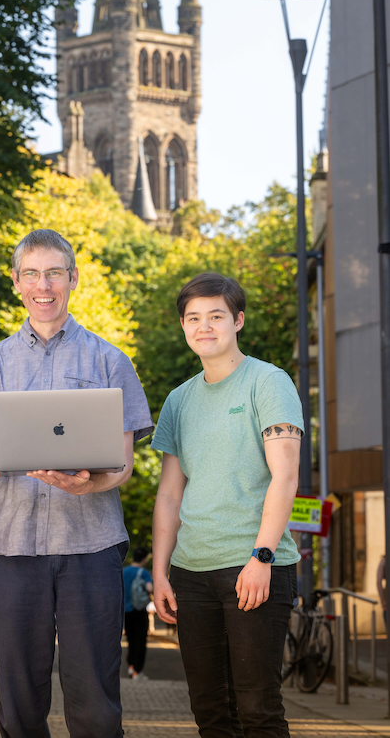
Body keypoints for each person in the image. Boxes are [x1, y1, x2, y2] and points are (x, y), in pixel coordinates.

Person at [0, 228, 154, 738]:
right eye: (32, 274)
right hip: (13, 550)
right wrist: (0, 463)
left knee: (96, 706)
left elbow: (123, 464)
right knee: (18, 703)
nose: (44, 285)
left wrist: (89, 484)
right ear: (17, 282)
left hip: (91, 546)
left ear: (72, 279)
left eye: (54, 273)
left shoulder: (110, 361)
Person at [151, 272, 302, 738]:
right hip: (191, 575)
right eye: (193, 318)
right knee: (210, 711)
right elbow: (170, 494)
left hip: (253, 566)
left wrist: (262, 557)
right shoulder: (178, 400)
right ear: (183, 326)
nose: (205, 327)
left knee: (258, 709)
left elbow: (286, 475)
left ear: (237, 320)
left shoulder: (268, 382)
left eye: (216, 316)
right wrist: (160, 572)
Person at [123, 547, 153, 680]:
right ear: (144, 559)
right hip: (139, 611)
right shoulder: (144, 573)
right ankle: (137, 671)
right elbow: (149, 588)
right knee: (140, 641)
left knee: (130, 640)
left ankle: (130, 666)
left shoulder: (124, 571)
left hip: (125, 611)